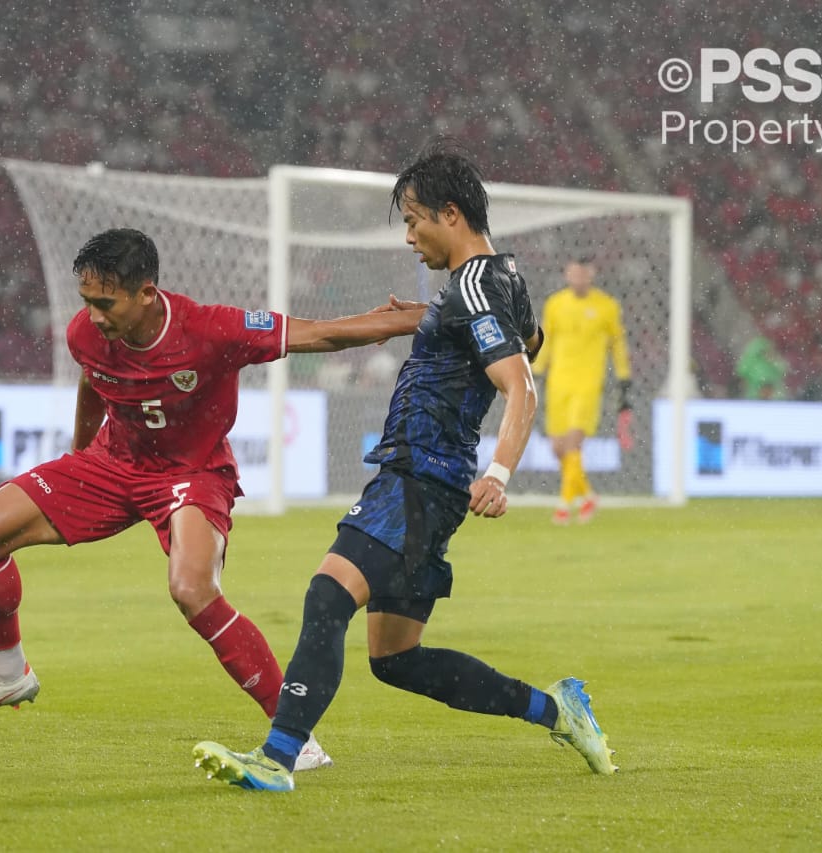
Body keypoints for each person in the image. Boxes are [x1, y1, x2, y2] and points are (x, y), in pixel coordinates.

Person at [192, 137, 617, 793]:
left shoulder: (473, 285)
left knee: (327, 593)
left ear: (451, 214)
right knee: (394, 658)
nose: (410, 237)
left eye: (414, 220)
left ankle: (277, 758)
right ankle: (558, 708)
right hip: (432, 482)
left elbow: (521, 382)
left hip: (420, 476)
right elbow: (528, 336)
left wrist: (499, 473)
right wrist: (429, 316)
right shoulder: (496, 280)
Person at [0, 227, 426, 772]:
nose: (94, 316)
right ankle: (7, 672)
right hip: (112, 464)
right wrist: (79, 454)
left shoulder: (211, 329)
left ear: (146, 293)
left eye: (105, 303)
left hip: (193, 473)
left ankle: (295, 739)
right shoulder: (86, 332)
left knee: (192, 589)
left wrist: (412, 320)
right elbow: (94, 379)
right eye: (87, 302)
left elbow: (320, 335)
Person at [530, 258, 633, 525]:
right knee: (557, 448)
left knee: (573, 442)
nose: (578, 278)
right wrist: (538, 371)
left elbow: (617, 344)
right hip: (558, 383)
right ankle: (587, 495)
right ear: (567, 274)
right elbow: (547, 341)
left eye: (583, 274)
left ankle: (564, 505)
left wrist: (624, 378)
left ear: (592, 274)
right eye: (574, 273)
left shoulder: (606, 306)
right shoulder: (555, 304)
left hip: (587, 384)